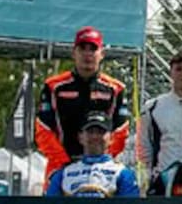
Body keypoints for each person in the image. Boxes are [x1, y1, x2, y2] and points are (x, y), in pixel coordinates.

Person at [36, 26, 130, 181]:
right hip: (61, 166)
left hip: (102, 168)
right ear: (74, 53)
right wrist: (64, 163)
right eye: (82, 48)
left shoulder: (116, 89)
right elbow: (43, 130)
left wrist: (101, 160)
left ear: (102, 54)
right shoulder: (53, 86)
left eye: (92, 49)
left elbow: (120, 132)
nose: (87, 54)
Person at [45, 112, 140, 198]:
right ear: (80, 137)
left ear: (111, 138)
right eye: (90, 132)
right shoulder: (64, 174)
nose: (95, 136)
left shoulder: (122, 173)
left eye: (101, 132)